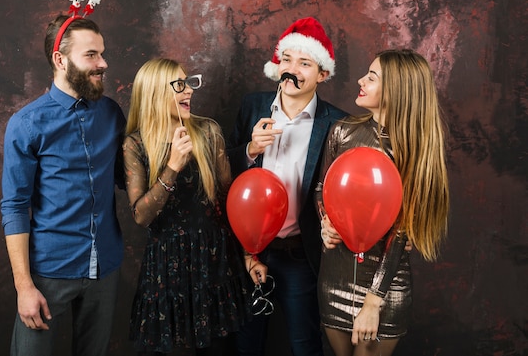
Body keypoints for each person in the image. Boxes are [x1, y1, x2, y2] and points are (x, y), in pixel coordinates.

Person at [0, 8, 126, 356]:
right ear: (60, 59)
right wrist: (24, 287)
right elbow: (13, 207)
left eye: (102, 53)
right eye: (91, 55)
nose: (103, 63)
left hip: (106, 267)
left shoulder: (112, 113)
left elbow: (127, 180)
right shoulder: (27, 124)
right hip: (48, 272)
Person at [315, 49, 450, 356]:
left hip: (382, 287)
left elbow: (402, 233)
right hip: (334, 276)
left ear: (396, 90)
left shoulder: (414, 150)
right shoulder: (343, 130)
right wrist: (325, 220)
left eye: (372, 77)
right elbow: (322, 189)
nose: (361, 80)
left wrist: (373, 301)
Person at [228, 17, 349, 356]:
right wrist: (251, 149)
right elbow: (224, 170)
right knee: (246, 344)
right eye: (287, 60)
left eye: (304, 63)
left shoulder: (337, 123)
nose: (292, 70)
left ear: (322, 74)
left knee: (304, 345)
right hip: (251, 252)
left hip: (301, 255)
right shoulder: (252, 106)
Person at [123, 58, 250, 356]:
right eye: (178, 85)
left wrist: (249, 254)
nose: (189, 91)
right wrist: (172, 167)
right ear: (155, 92)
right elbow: (141, 215)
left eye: (189, 83)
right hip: (167, 268)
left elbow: (228, 200)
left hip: (214, 262)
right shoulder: (135, 145)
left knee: (219, 349)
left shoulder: (208, 132)